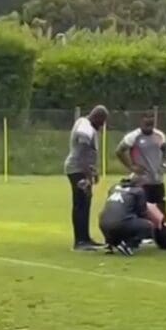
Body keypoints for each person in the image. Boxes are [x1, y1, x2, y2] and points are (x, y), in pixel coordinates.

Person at [64, 105, 109, 251]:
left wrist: (93, 171)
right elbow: (82, 154)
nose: (102, 126)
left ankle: (85, 237)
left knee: (85, 202)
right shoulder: (85, 127)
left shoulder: (87, 125)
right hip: (78, 170)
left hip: (81, 169)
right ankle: (80, 241)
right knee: (81, 203)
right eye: (101, 122)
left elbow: (89, 154)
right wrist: (88, 174)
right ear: (97, 117)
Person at [115, 114, 166, 219]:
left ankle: (162, 228)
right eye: (146, 120)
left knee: (162, 210)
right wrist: (131, 166)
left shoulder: (160, 135)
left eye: (151, 121)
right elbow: (119, 151)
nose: (149, 122)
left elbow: (164, 151)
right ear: (141, 121)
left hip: (157, 180)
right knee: (144, 212)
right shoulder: (133, 136)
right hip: (141, 181)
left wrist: (164, 164)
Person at [98, 179, 155, 256]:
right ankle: (128, 245)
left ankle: (109, 243)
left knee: (113, 219)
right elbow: (142, 212)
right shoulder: (138, 191)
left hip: (103, 223)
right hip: (121, 223)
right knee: (148, 226)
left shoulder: (113, 188)